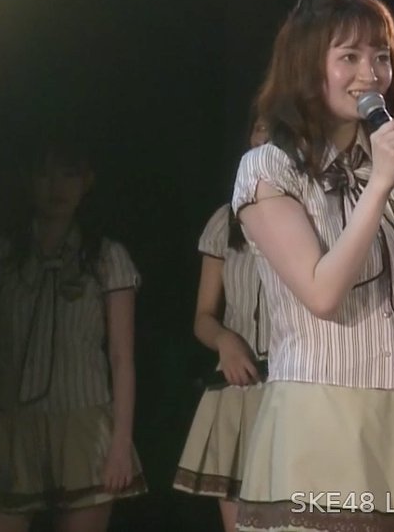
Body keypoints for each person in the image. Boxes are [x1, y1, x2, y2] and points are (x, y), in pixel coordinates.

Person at [230, 0, 394, 531]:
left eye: (381, 57)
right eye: (349, 56)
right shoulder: (268, 169)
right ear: (307, 65)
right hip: (319, 414)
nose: (370, 74)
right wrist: (377, 186)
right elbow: (322, 293)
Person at [0, 130, 146, 532]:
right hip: (11, 425)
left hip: (84, 426)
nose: (56, 187)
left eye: (68, 174)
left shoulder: (107, 257)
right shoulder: (0, 256)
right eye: (45, 174)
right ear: (28, 180)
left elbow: (122, 358)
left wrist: (120, 444)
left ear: (87, 182)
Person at [173, 110, 270, 532]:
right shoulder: (226, 220)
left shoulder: (318, 213)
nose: (267, 137)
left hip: (295, 388)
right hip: (238, 391)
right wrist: (226, 341)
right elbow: (203, 317)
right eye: (261, 127)